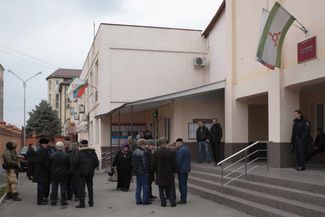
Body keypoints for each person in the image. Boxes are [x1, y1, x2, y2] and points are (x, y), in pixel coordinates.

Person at [74, 140, 99, 208]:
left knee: (81, 189)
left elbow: (75, 163)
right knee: (90, 188)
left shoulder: (79, 152)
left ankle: (82, 204)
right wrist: (91, 168)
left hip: (81, 173)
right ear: (87, 144)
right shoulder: (93, 152)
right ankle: (91, 202)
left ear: (82, 145)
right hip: (90, 173)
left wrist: (76, 169)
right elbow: (96, 162)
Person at [153, 137, 177, 207]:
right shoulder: (172, 152)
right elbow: (174, 163)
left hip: (160, 173)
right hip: (169, 173)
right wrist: (174, 171)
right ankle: (172, 202)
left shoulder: (156, 153)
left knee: (161, 189)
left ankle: (163, 203)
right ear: (165, 143)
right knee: (170, 188)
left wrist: (154, 171)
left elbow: (153, 164)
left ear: (159, 144)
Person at [50, 141, 70, 206]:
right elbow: (69, 165)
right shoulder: (66, 155)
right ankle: (63, 201)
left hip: (54, 173)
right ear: (62, 147)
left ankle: (53, 201)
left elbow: (49, 164)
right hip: (63, 173)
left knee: (54, 187)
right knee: (63, 188)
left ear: (56, 147)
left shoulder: (52, 155)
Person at [132, 139, 151, 205]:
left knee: (138, 186)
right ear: (142, 144)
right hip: (143, 172)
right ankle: (145, 200)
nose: (145, 146)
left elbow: (133, 163)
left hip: (137, 172)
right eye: (145, 144)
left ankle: (138, 200)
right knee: (145, 186)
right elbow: (145, 163)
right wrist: (147, 171)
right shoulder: (143, 152)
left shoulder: (134, 152)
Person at [34, 138, 51, 205]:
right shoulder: (40, 150)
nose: (48, 144)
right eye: (47, 143)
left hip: (43, 172)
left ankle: (43, 198)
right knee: (41, 187)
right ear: (44, 143)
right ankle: (40, 200)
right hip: (41, 172)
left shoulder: (42, 150)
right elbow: (42, 162)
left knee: (43, 186)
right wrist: (48, 167)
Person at [175, 138, 191, 204]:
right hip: (186, 169)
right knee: (184, 184)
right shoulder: (186, 148)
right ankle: (183, 198)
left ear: (179, 143)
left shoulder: (181, 150)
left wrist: (175, 169)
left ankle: (183, 199)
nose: (175, 145)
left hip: (182, 170)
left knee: (182, 185)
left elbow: (178, 161)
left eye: (176, 143)